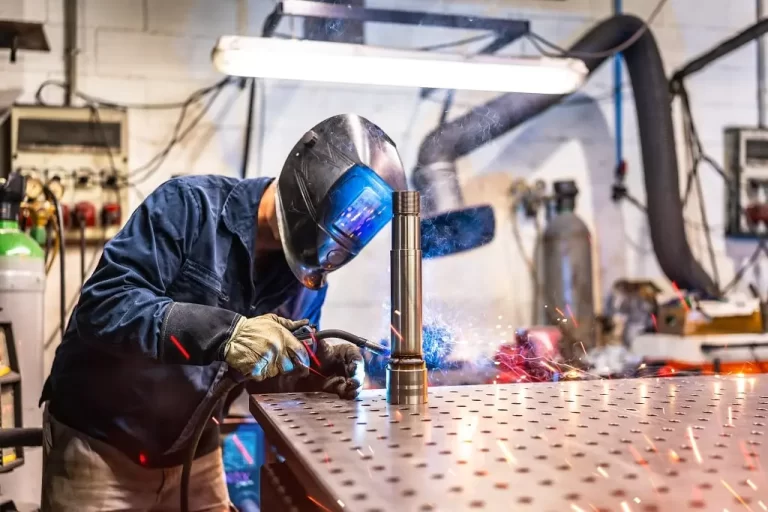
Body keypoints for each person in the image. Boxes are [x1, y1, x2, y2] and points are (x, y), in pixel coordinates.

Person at [39, 114, 407, 511]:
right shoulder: (189, 207)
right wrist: (225, 333)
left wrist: (316, 370)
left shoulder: (306, 280)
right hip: (102, 448)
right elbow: (105, 305)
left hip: (194, 449)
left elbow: (265, 375)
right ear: (313, 182)